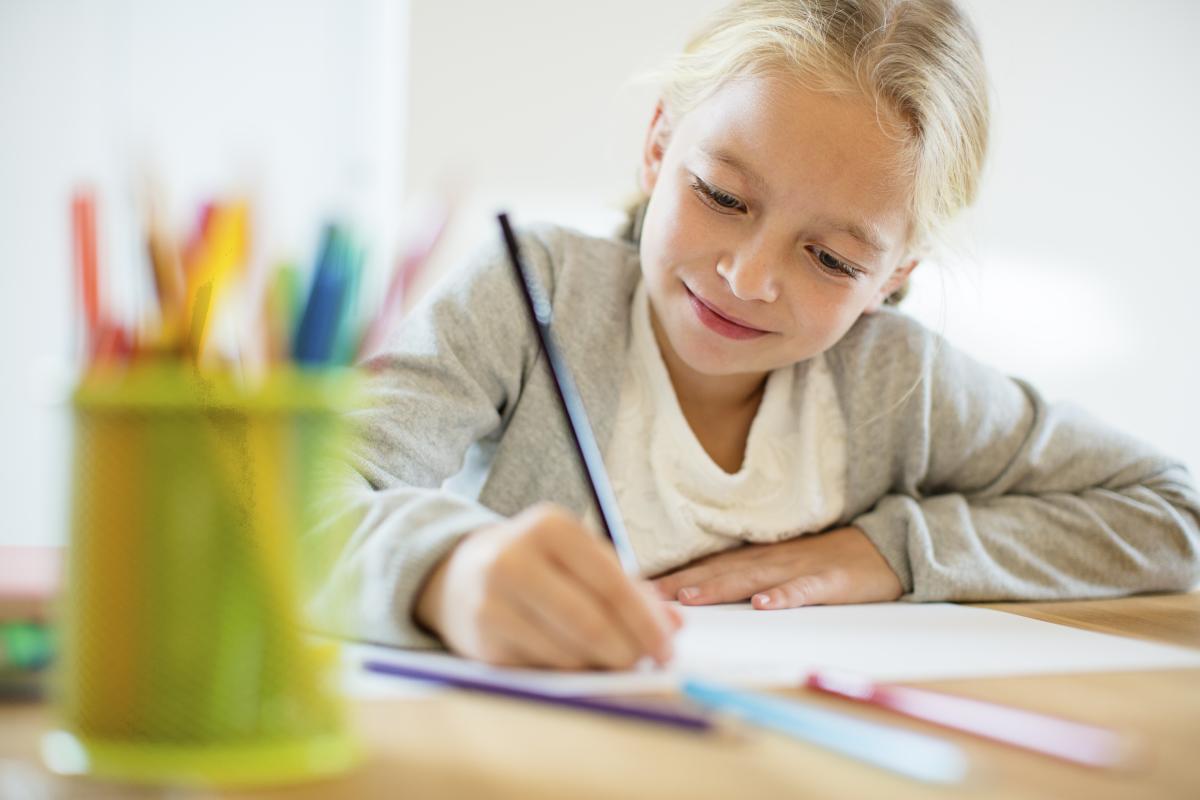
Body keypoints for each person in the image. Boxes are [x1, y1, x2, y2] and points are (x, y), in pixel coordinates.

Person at [306, 0, 1200, 670]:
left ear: (895, 277)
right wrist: (444, 571)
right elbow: (282, 500)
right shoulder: (532, 292)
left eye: (833, 259)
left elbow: (1173, 515)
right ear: (659, 145)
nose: (748, 276)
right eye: (723, 197)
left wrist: (889, 555)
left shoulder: (900, 385)